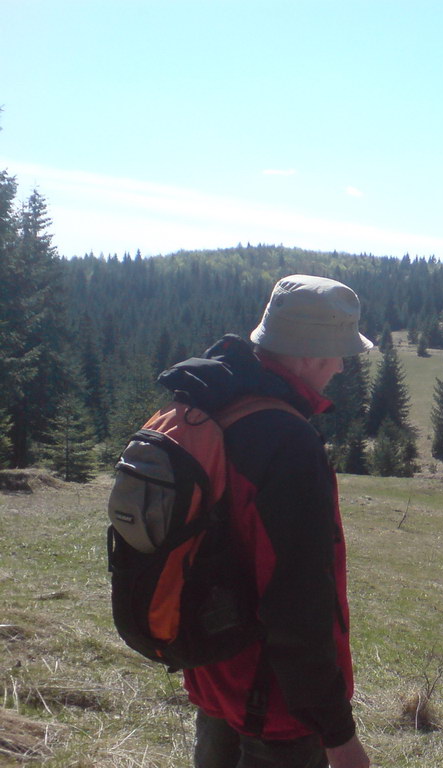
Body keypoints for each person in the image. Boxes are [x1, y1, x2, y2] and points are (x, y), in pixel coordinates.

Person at [161, 275, 374, 768]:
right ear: (307, 355)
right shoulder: (287, 442)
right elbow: (297, 600)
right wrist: (337, 733)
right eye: (338, 353)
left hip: (213, 669)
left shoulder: (215, 404)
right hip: (277, 701)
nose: (342, 366)